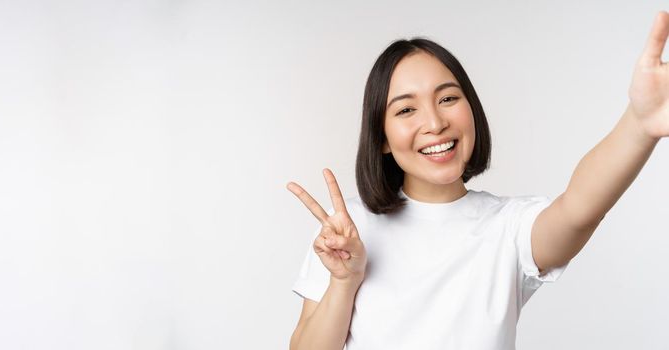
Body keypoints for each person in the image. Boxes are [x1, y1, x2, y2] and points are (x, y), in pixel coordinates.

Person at [286, 11, 669, 350]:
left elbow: (578, 210)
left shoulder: (509, 228)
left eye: (448, 99)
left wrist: (639, 124)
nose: (435, 123)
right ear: (382, 137)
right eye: (405, 109)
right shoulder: (348, 233)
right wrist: (345, 280)